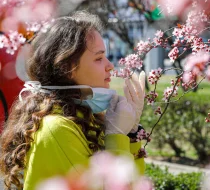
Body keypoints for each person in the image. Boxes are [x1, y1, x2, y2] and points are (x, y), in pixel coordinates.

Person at [0, 11, 146, 190]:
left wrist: (130, 135)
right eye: (99, 58)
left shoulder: (82, 117)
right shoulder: (57, 128)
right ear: (67, 69)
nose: (110, 66)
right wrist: (117, 136)